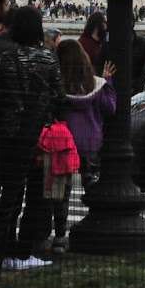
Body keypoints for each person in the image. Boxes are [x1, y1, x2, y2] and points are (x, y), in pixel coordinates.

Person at [0, 6, 65, 272]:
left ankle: (0, 250)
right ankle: (26, 249)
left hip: (11, 134)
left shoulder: (7, 58)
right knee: (38, 196)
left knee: (9, 195)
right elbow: (59, 96)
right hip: (39, 132)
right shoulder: (48, 58)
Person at [53, 40, 116, 254]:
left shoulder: (58, 86)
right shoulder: (95, 85)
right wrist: (108, 80)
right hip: (90, 140)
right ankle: (96, 225)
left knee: (61, 191)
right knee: (91, 184)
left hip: (63, 142)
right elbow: (109, 108)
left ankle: (60, 236)